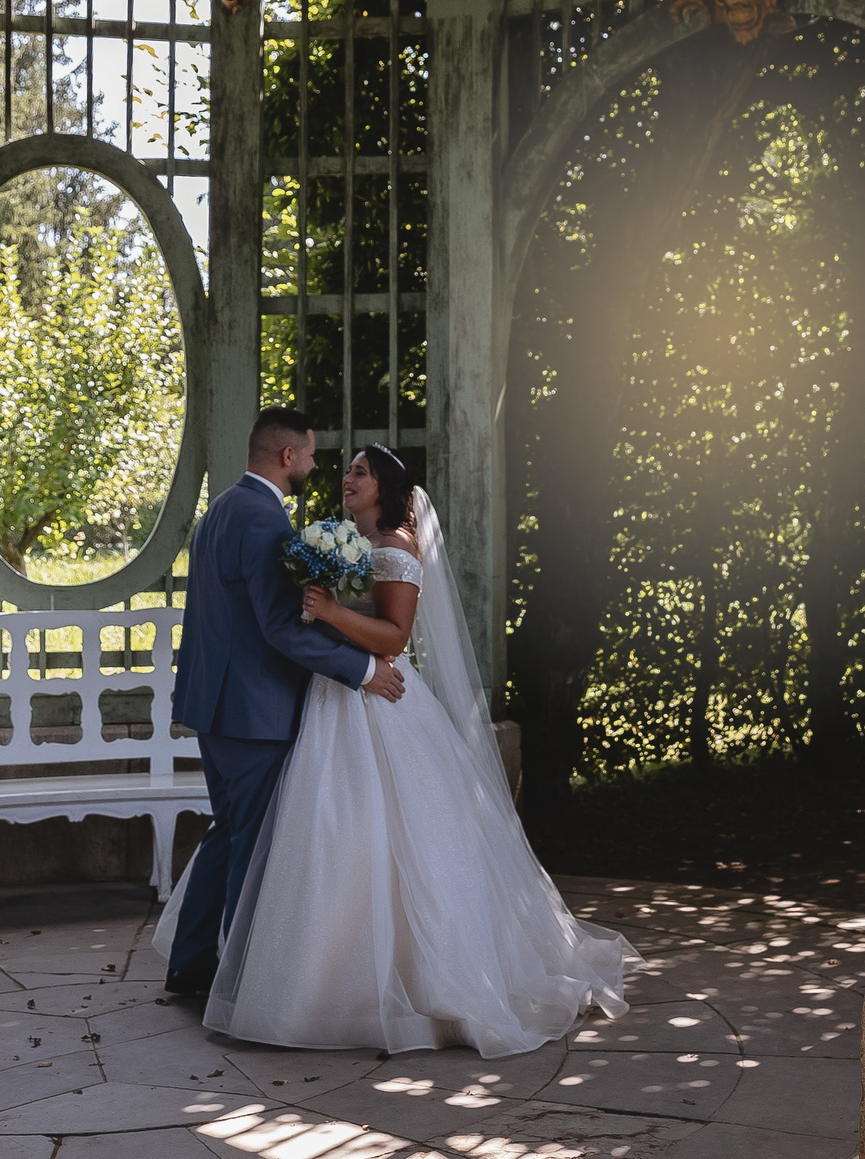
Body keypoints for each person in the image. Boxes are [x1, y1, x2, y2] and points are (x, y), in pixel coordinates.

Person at [155, 443, 631, 1055]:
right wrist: (320, 610)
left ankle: (369, 979)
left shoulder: (396, 546)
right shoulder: (338, 540)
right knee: (321, 831)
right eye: (347, 470)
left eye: (361, 472)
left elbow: (394, 636)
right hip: (330, 700)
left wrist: (330, 612)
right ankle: (286, 973)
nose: (346, 478)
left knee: (380, 832)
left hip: (379, 697)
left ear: (385, 486)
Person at [162, 407, 406, 1003]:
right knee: (253, 846)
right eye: (313, 454)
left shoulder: (221, 509)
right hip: (254, 710)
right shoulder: (264, 520)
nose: (318, 466)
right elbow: (281, 627)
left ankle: (191, 965)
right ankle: (241, 983)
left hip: (214, 705)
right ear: (288, 456)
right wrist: (363, 670)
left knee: (227, 832)